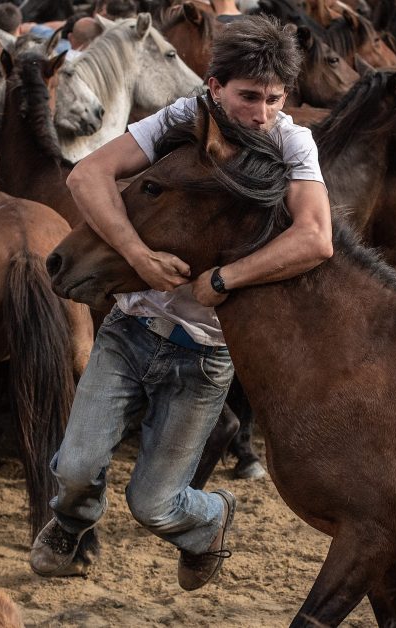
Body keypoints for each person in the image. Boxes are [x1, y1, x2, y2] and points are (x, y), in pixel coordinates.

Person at [28, 15, 333, 592]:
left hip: (205, 354)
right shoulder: (178, 118)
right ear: (215, 87)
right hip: (130, 329)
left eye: (273, 98)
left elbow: (316, 237)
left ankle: (210, 518)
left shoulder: (292, 141)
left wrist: (222, 280)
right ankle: (69, 525)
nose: (262, 114)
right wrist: (139, 257)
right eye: (248, 98)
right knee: (73, 468)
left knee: (154, 503)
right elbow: (87, 176)